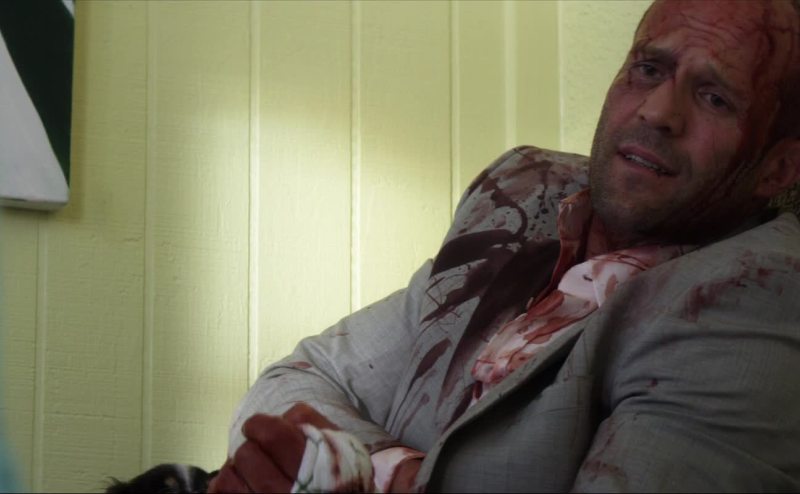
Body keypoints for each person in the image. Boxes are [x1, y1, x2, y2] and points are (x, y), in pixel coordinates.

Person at [210, 0, 800, 491]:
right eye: (648, 69)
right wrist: (389, 473)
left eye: (714, 98)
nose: (657, 111)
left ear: (779, 168)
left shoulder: (758, 297)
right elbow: (297, 380)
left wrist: (347, 474)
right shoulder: (527, 193)